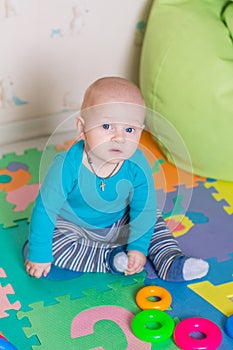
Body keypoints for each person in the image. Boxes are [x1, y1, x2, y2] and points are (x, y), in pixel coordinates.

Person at [24, 76, 209, 281]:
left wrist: (138, 248)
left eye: (129, 129)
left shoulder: (136, 164)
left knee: (152, 218)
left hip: (120, 220)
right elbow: (45, 208)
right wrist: (39, 255)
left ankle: (169, 260)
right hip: (75, 226)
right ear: (81, 129)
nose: (119, 137)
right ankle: (109, 259)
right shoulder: (66, 165)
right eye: (106, 126)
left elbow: (143, 209)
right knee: (51, 242)